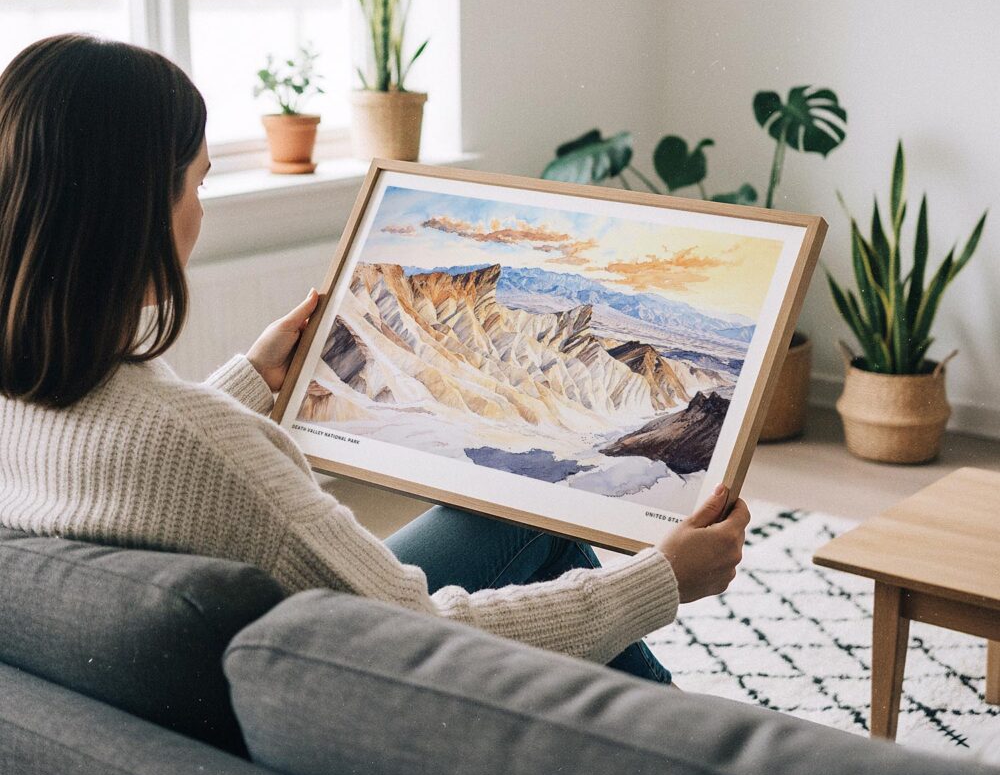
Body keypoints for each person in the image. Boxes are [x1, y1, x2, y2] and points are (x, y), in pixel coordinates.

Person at [0, 34, 749, 684]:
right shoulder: (206, 449)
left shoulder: (27, 400)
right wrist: (660, 580)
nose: (203, 209)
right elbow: (417, 635)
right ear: (135, 213)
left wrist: (250, 382)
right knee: (546, 539)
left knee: (506, 519)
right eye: (198, 183)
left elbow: (138, 455)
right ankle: (694, 756)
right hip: (358, 680)